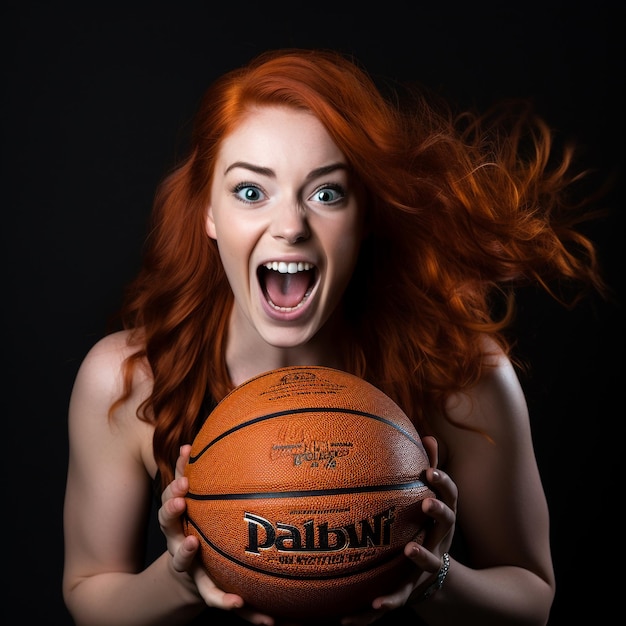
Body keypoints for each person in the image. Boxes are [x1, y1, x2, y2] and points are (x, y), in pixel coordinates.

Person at [62, 48, 606, 626]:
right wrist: (176, 580)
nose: (291, 225)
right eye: (251, 191)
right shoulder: (129, 378)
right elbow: (88, 592)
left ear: (365, 213)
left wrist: (435, 578)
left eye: (326, 193)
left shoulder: (461, 372)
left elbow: (532, 598)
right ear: (209, 213)